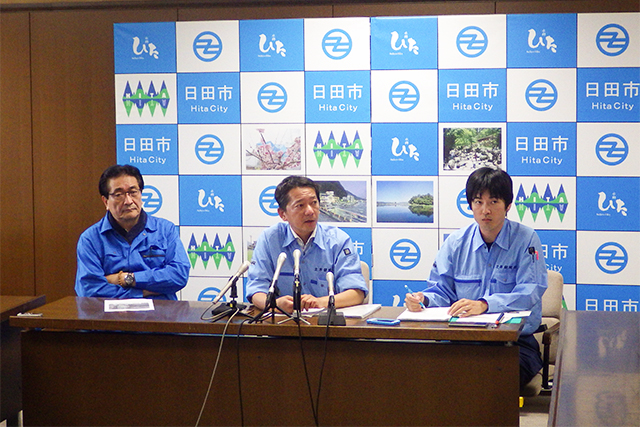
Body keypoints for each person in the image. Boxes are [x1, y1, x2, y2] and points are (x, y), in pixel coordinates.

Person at [405, 166, 547, 390]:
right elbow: (442, 290)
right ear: (470, 205)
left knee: (492, 379)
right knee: (424, 373)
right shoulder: (455, 242)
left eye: (493, 202)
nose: (485, 210)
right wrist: (424, 299)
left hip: (513, 344)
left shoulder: (526, 239)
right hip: (462, 340)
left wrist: (484, 305)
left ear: (508, 206)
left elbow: (529, 292)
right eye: (478, 202)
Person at [246, 175, 367, 313]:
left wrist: (319, 302)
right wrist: (274, 303)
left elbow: (357, 293)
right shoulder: (270, 239)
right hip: (283, 327)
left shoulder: (338, 240)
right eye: (300, 205)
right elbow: (256, 289)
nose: (310, 211)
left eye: (314, 203)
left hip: (328, 327)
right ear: (283, 214)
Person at [75, 164, 190, 300]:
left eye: (133, 192)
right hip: (110, 318)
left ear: (141, 194)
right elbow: (89, 289)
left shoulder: (165, 230)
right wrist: (142, 293)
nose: (128, 201)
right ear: (106, 201)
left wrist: (125, 279)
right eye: (119, 195)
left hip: (160, 315)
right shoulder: (90, 239)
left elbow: (178, 275)